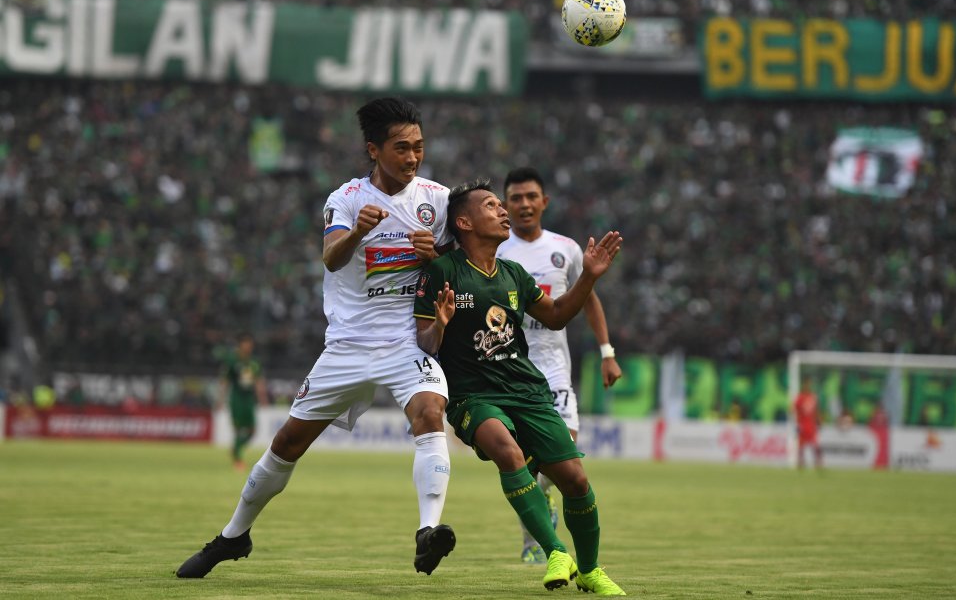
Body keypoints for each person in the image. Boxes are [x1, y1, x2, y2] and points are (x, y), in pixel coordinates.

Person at [177, 96, 457, 578]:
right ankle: (232, 536)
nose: (412, 158)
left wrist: (438, 255)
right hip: (347, 346)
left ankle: (426, 532)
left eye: (418, 147)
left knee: (430, 414)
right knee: (287, 444)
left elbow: (458, 259)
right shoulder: (346, 199)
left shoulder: (437, 198)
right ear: (373, 150)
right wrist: (357, 235)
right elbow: (330, 257)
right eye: (401, 148)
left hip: (405, 344)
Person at [414, 178, 626, 595]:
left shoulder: (513, 274)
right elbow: (424, 342)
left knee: (577, 482)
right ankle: (554, 552)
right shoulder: (442, 271)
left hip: (526, 389)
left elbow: (558, 315)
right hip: (473, 394)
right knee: (508, 453)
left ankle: (590, 570)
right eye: (492, 205)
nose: (503, 210)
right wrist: (439, 324)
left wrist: (590, 276)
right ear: (465, 222)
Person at [497, 167, 623, 564]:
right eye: (515, 198)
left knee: (560, 456)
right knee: (521, 461)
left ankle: (544, 508)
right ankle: (536, 538)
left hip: (553, 366)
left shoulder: (566, 249)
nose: (524, 204)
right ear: (505, 205)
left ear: (544, 201)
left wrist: (607, 352)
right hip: (510, 367)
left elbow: (588, 298)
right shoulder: (496, 250)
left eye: (531, 196)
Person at [219, 333, 268, 471]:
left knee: (252, 430)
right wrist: (221, 399)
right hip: (236, 398)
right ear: (240, 345)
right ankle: (238, 459)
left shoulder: (254, 362)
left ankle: (235, 448)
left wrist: (262, 398)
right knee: (238, 429)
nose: (248, 347)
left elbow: (258, 381)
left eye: (250, 344)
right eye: (246, 344)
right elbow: (225, 380)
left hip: (249, 399)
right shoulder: (232, 360)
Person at [793, 380, 823, 469]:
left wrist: (819, 419)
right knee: (801, 444)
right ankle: (801, 462)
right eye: (807, 384)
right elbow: (794, 409)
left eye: (809, 384)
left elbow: (817, 410)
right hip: (802, 424)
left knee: (815, 444)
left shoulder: (813, 397)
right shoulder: (800, 397)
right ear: (804, 385)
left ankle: (818, 462)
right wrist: (797, 422)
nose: (808, 386)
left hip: (811, 424)